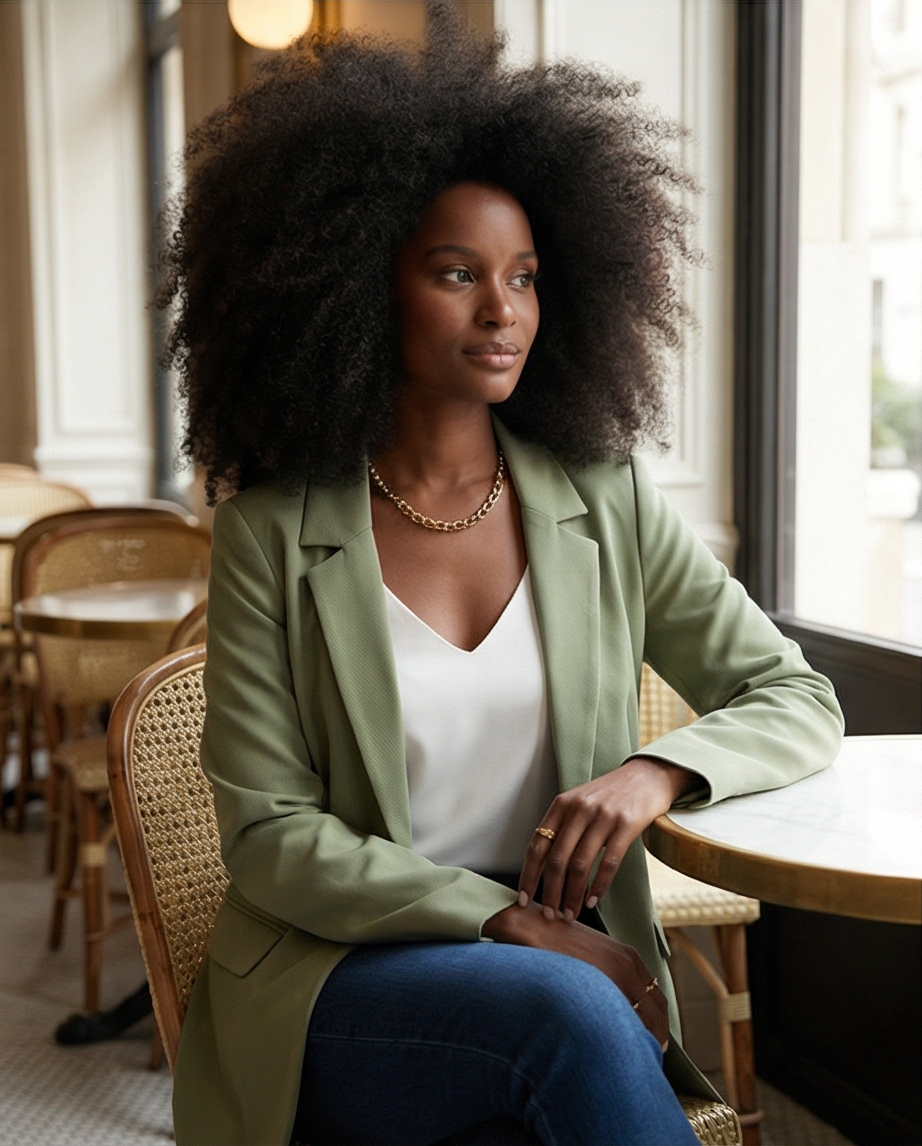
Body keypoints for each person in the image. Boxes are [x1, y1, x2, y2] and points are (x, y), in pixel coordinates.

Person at [160, 7, 843, 1144]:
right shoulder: (271, 533)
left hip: (561, 974)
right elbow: (274, 840)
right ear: (355, 287)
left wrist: (651, 773)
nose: (502, 311)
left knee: (560, 1033)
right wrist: (508, 923)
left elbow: (793, 696)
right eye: (454, 273)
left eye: (524, 277)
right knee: (566, 1021)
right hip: (344, 975)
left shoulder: (602, 497)